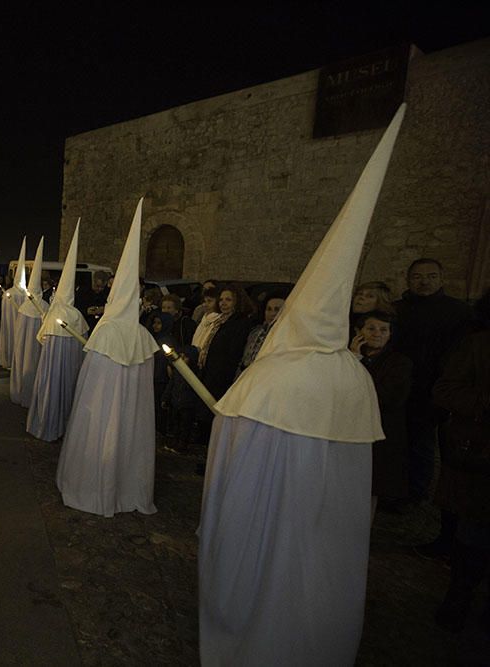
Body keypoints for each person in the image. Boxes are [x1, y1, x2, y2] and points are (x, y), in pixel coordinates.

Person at [201, 105, 405, 665]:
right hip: (328, 535)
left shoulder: (273, 374)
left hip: (266, 524)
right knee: (314, 578)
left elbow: (232, 470)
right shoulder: (356, 378)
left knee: (264, 577)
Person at [57, 199, 158, 517]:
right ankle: (126, 487)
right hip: (129, 418)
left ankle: (94, 484)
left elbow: (89, 383)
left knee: (103, 437)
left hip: (100, 413)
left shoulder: (106, 331)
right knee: (128, 436)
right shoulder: (143, 338)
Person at [393, 258, 472, 557]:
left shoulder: (459, 313)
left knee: (422, 444)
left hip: (432, 389)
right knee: (398, 440)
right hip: (402, 385)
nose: (424, 281)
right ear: (409, 279)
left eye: (430, 276)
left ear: (441, 278)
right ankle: (396, 489)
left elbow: (458, 356)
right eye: (418, 276)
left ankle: (416, 492)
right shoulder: (398, 310)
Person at [431, 289, 490, 633]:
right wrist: (483, 401)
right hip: (481, 458)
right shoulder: (478, 346)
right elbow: (445, 390)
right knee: (476, 535)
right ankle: (459, 597)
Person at [27, 223, 88, 442]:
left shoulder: (53, 314)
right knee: (66, 392)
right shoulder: (78, 316)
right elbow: (84, 342)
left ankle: (46, 422)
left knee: (50, 391)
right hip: (70, 366)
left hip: (51, 366)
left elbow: (41, 337)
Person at [351, 310, 412, 518]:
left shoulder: (399, 362)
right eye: (371, 328)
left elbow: (387, 396)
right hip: (351, 428)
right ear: (358, 332)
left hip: (381, 430)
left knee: (372, 485)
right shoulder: (346, 359)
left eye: (383, 330)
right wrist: (354, 359)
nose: (377, 334)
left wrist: (359, 364)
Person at [11, 238, 46, 407]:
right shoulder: (45, 307)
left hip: (25, 347)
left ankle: (23, 392)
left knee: (26, 365)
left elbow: (18, 332)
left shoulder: (25, 307)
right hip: (37, 348)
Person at [236, 290, 287, 376]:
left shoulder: (286, 336)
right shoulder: (256, 332)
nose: (272, 313)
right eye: (269, 309)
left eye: (277, 309)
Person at [0, 238, 27, 369]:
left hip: (10, 323)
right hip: (19, 323)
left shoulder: (8, 293)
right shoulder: (27, 294)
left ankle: (9, 360)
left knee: (10, 339)